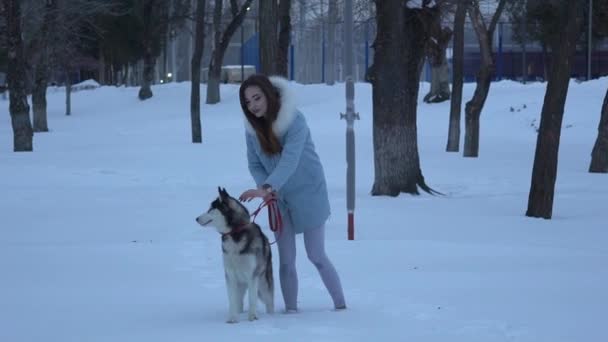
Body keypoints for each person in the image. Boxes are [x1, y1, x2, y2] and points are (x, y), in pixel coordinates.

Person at [238, 74, 346, 312]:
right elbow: (254, 164)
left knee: (316, 255)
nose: (253, 105)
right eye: (248, 102)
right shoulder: (251, 131)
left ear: (269, 94)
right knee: (286, 261)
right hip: (278, 198)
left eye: (257, 98)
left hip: (309, 193)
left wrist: (265, 189)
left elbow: (290, 162)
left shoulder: (294, 121)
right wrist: (267, 190)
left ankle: (341, 307)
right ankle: (290, 312)